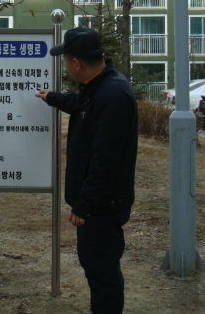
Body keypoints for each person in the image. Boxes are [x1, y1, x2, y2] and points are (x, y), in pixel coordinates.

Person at [35, 27, 137, 314]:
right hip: (99, 204)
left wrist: (84, 205)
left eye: (66, 61)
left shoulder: (112, 95)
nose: (66, 67)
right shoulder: (100, 85)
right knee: (95, 264)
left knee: (102, 269)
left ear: (76, 63)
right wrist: (52, 97)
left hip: (102, 206)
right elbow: (82, 105)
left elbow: (105, 160)